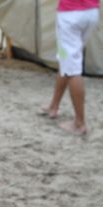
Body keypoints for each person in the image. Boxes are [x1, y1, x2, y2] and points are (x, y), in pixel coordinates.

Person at [40, 0, 100, 135]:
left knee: (72, 67)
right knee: (66, 59)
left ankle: (79, 123)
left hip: (70, 14)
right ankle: (54, 106)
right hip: (91, 12)